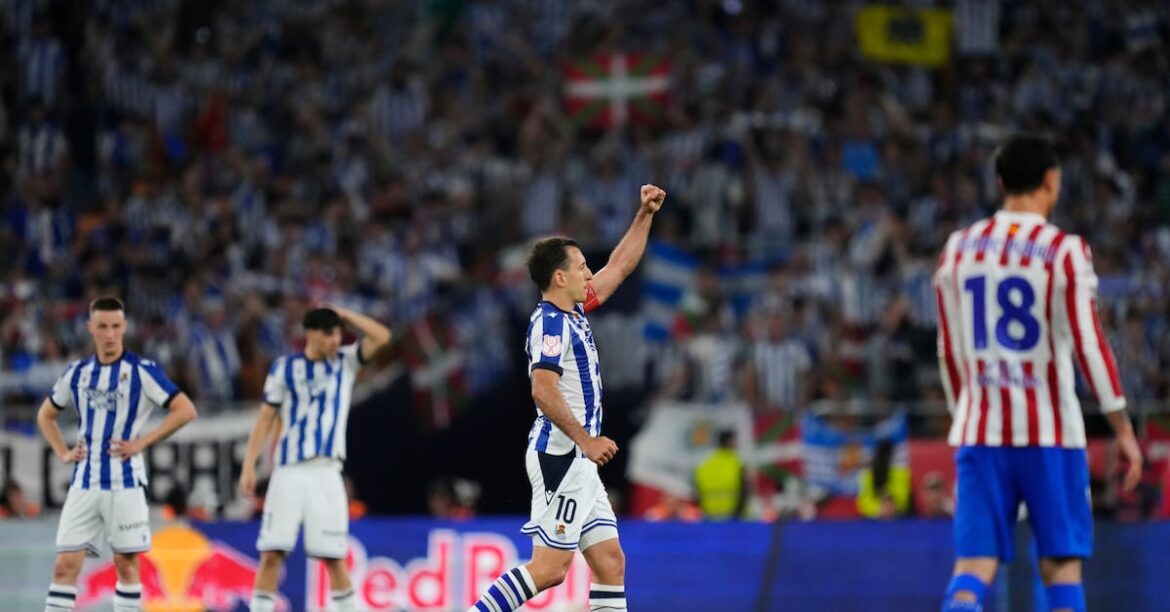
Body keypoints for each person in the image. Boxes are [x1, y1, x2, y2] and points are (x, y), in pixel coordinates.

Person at [933, 135, 1143, 612]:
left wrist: (963, 411)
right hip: (1051, 436)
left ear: (1000, 182)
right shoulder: (1064, 250)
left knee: (973, 568)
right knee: (1061, 568)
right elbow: (1089, 344)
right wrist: (1122, 428)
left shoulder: (958, 249)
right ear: (1052, 182)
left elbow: (948, 349)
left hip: (981, 432)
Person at [468, 184, 666, 612]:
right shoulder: (551, 325)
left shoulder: (573, 312)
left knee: (611, 563)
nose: (589, 273)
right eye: (580, 267)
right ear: (559, 278)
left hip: (577, 459)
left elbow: (620, 266)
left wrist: (645, 213)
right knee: (550, 569)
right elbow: (542, 389)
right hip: (561, 454)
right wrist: (585, 440)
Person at [38, 296, 199, 612]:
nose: (109, 334)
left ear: (124, 328)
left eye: (115, 327)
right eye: (102, 327)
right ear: (90, 329)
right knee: (64, 567)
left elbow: (185, 410)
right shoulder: (77, 373)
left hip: (125, 482)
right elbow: (46, 414)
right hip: (84, 482)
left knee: (126, 565)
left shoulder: (142, 371)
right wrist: (62, 451)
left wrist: (142, 442)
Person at [238, 305, 391, 612]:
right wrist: (249, 465)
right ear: (310, 334)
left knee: (334, 558)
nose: (335, 340)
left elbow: (382, 336)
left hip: (327, 473)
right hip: (289, 471)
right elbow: (266, 417)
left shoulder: (345, 363)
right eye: (328, 333)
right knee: (271, 554)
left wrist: (346, 315)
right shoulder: (284, 368)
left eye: (337, 333)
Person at [693, 430, 747, 520]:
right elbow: (744, 490)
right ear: (729, 442)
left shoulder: (706, 464)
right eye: (735, 441)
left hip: (708, 514)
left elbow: (697, 490)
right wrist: (740, 512)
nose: (736, 445)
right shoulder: (736, 463)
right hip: (731, 515)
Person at [855, 438, 910, 519]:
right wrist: (879, 510)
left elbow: (903, 499)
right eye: (880, 453)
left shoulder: (900, 471)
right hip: (873, 519)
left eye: (887, 454)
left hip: (897, 517)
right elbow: (864, 502)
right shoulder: (867, 474)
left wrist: (891, 507)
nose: (883, 457)